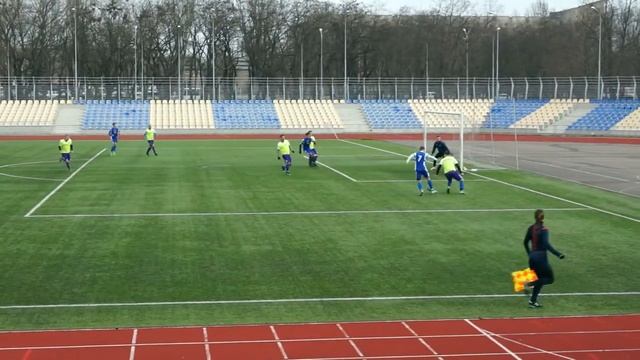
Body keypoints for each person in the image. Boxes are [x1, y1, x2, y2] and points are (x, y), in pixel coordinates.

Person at [523, 209, 565, 308]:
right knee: (550, 279)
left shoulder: (531, 228)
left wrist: (530, 254)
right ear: (543, 217)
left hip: (532, 258)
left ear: (535, 217)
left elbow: (525, 242)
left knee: (540, 279)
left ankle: (532, 301)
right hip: (541, 258)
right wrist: (558, 254)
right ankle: (528, 284)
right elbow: (546, 244)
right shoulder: (544, 230)